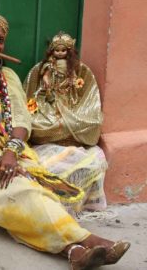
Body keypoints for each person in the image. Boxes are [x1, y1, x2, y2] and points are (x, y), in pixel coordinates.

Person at [0, 9, 129, 269]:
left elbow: (22, 122)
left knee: (36, 189)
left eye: (0, 40)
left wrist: (11, 152)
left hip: (9, 152)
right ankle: (89, 239)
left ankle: (74, 252)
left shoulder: (8, 77)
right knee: (20, 191)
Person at [23, 32, 107, 212]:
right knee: (39, 124)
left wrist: (71, 83)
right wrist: (47, 84)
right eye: (57, 50)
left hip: (68, 104)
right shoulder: (47, 67)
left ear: (69, 52)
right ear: (52, 51)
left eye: (63, 51)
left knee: (84, 123)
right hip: (50, 104)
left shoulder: (75, 68)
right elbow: (43, 81)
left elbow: (77, 85)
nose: (60, 54)